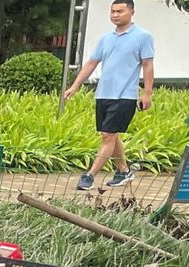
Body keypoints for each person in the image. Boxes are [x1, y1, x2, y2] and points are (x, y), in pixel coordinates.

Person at [63, 0, 154, 190]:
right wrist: (75, 86)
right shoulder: (105, 38)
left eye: (120, 11)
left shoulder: (143, 36)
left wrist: (147, 94)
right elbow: (91, 63)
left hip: (125, 96)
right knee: (111, 135)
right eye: (112, 11)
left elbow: (147, 65)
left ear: (131, 12)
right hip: (103, 94)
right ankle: (123, 171)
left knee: (108, 135)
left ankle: (89, 175)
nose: (115, 15)